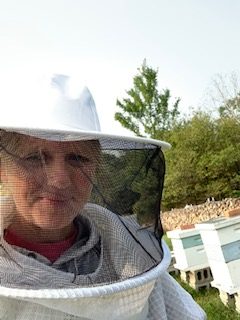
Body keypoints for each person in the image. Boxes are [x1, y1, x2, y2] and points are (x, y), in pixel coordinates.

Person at [0, 74, 206, 320]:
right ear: (3, 169)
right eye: (34, 158)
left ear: (95, 168)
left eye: (77, 158)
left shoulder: (133, 254)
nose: (59, 180)